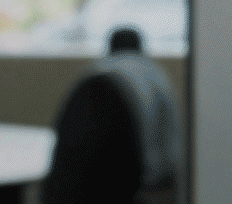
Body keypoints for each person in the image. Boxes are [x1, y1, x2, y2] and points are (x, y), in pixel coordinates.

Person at [42, 27, 182, 204]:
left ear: (110, 47)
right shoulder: (157, 75)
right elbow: (170, 141)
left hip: (81, 164)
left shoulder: (94, 70)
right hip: (134, 168)